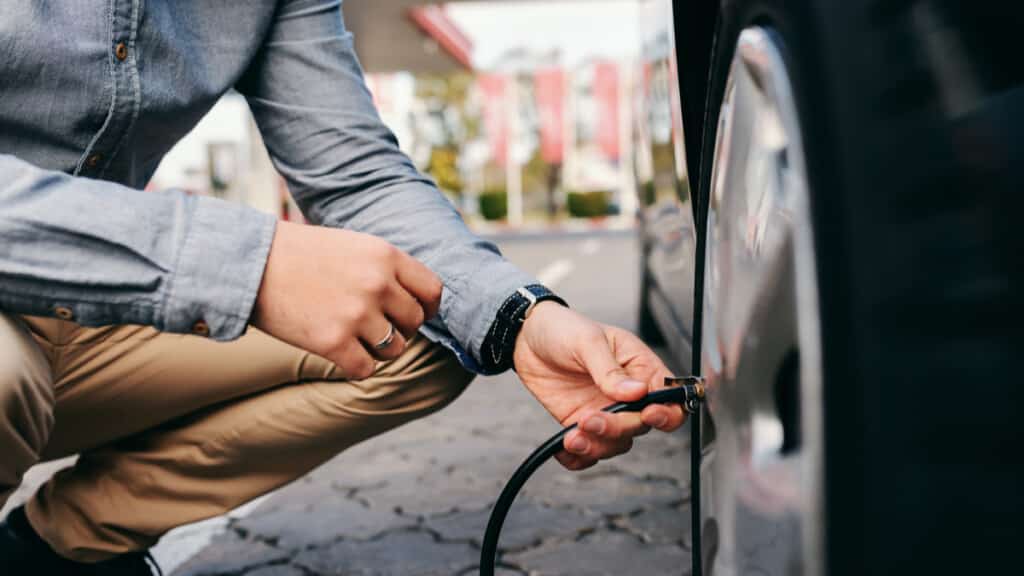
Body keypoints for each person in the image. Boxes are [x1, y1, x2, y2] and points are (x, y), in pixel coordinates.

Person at [0, 1, 686, 573]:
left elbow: (357, 173)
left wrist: (524, 320)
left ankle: (61, 548)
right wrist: (251, 266)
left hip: (89, 317)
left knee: (421, 321)